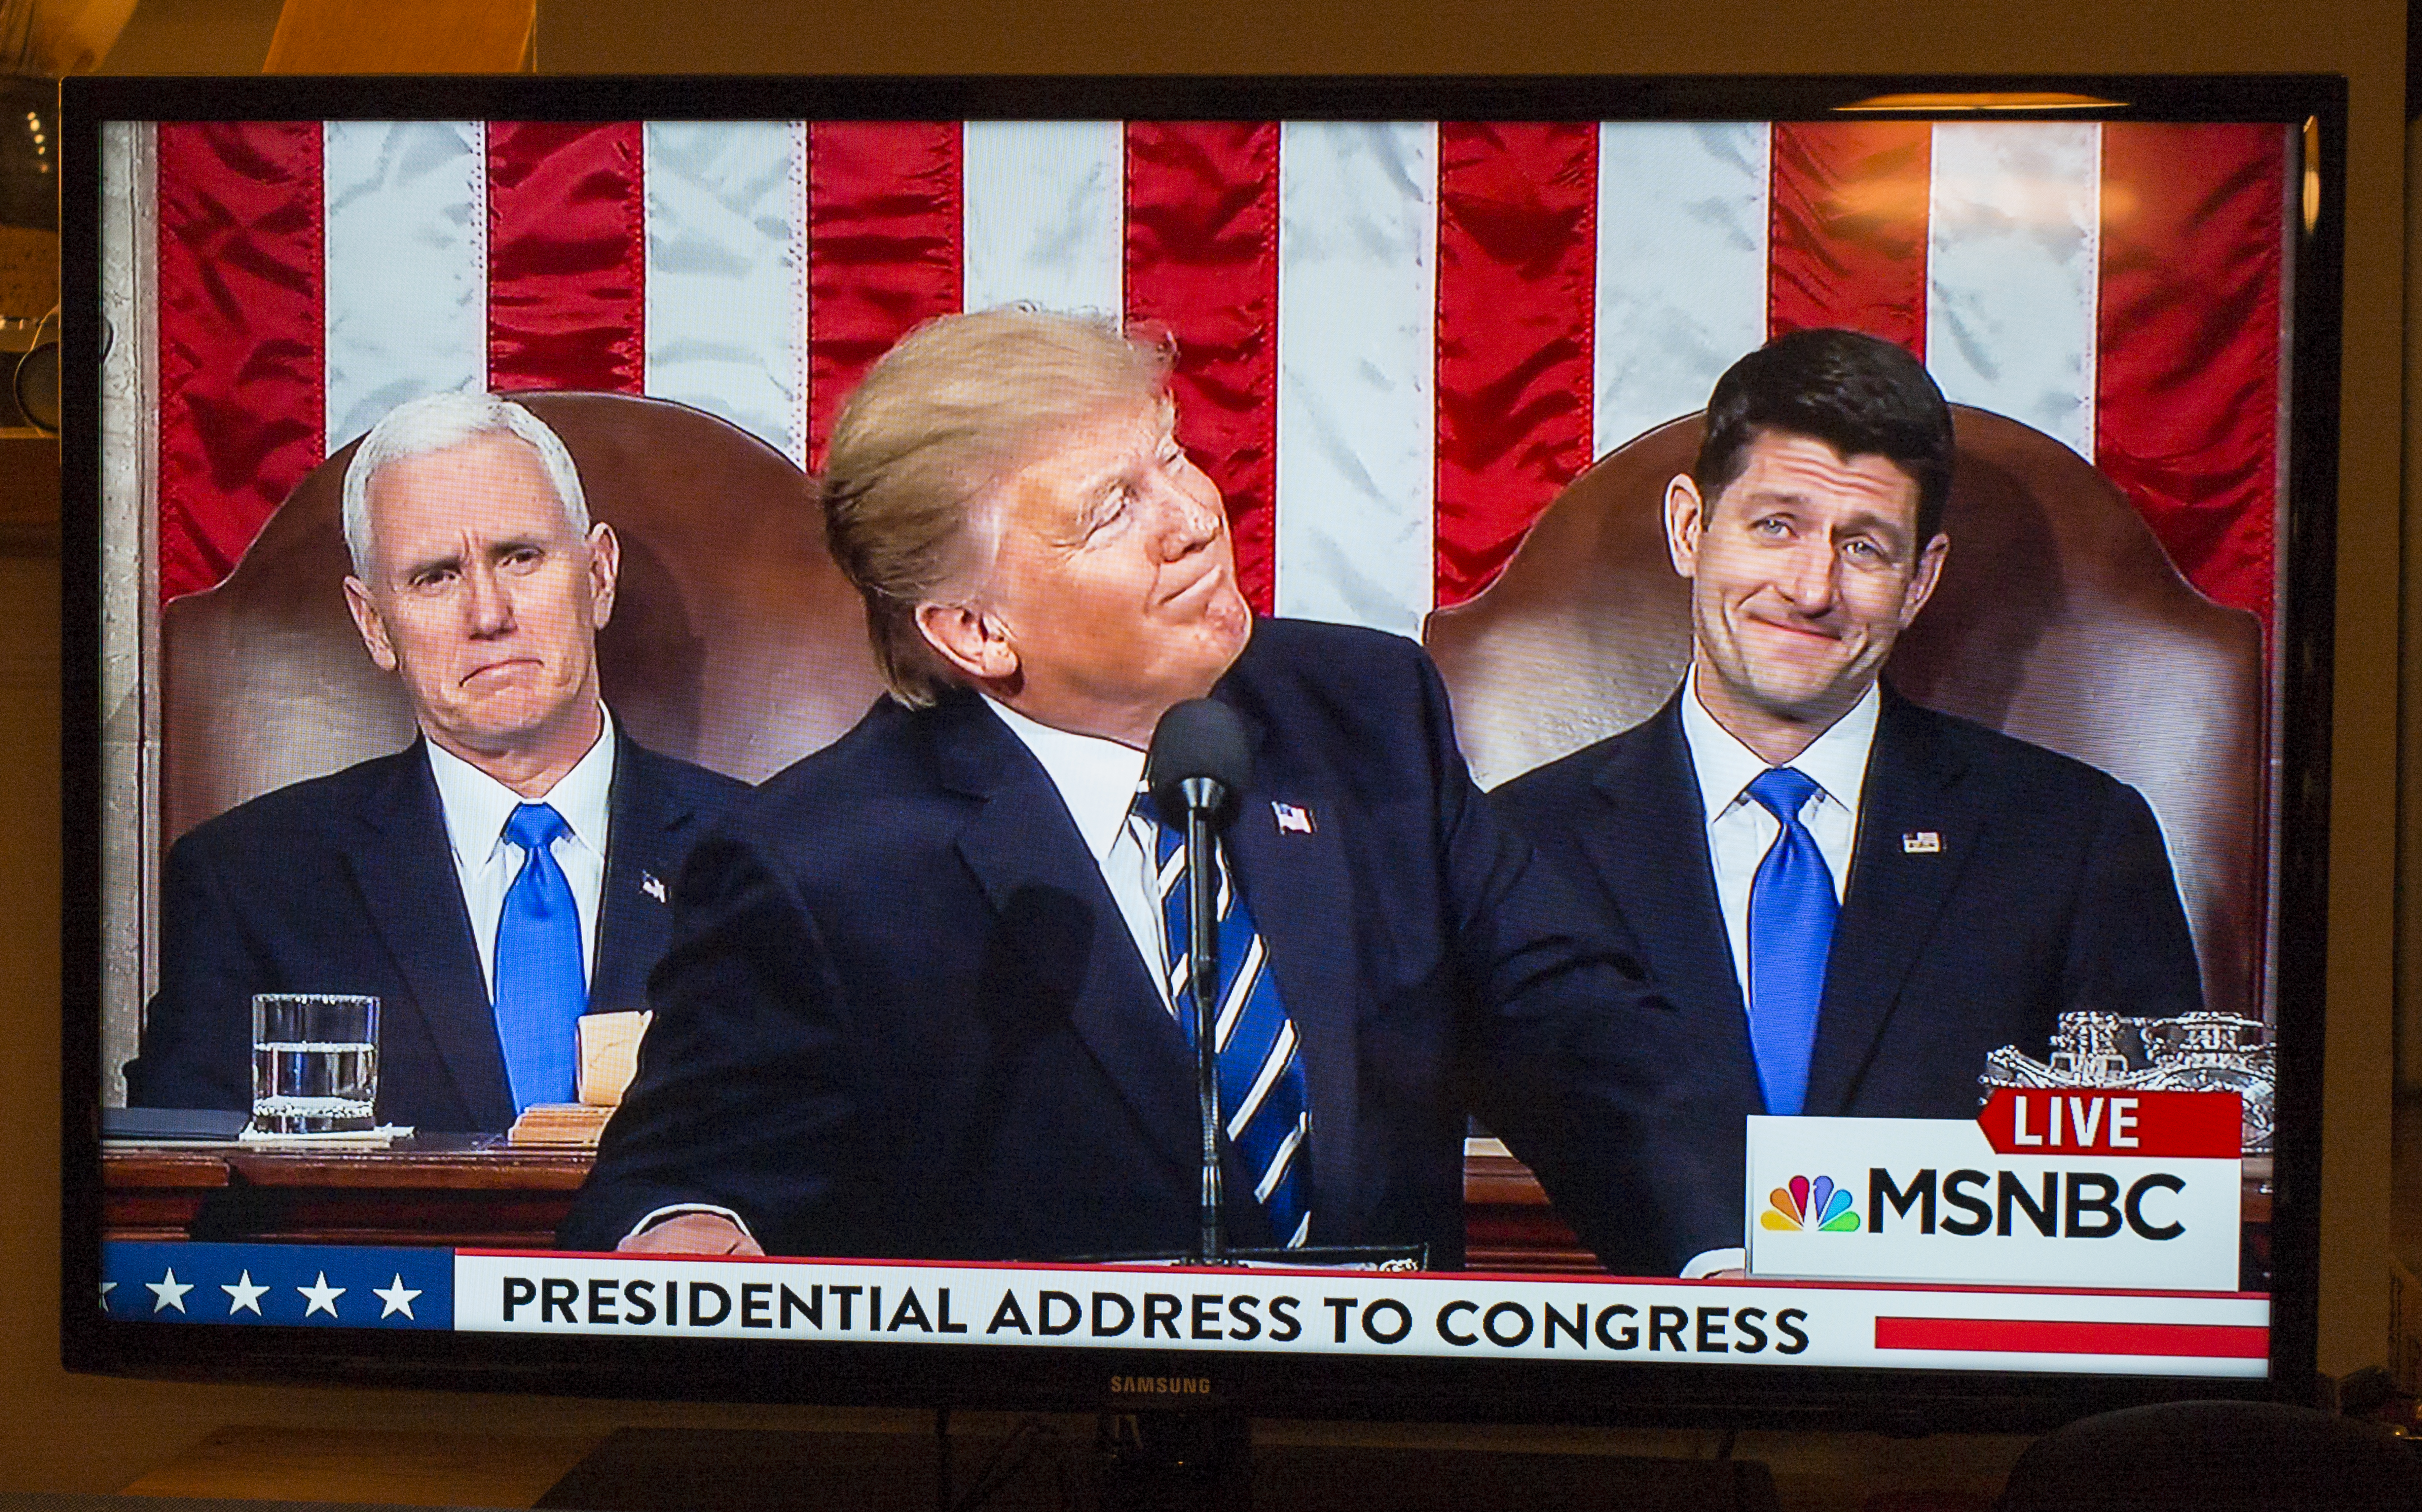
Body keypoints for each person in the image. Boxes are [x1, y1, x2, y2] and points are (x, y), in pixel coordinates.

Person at [559, 308, 1690, 1270]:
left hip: (1370, 1448)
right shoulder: (822, 865)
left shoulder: (1366, 714)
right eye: (1114, 509)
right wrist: (688, 1223)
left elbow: (1578, 1033)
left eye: (1173, 456)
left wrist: (1724, 1251)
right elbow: (673, 1175)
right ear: (973, 629)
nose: (1196, 517)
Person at [1492, 329, 2204, 1269]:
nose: (1811, 589)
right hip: (1629, 1401)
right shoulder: (1517, 847)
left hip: (1961, 1397)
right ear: (1690, 530)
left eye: (1863, 547)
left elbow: (2159, 1204)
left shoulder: (2074, 840)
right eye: (1776, 526)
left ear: (1920, 581)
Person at [130, 393, 748, 1134]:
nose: (489, 614)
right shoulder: (251, 885)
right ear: (375, 625)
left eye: (520, 557)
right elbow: (180, 1202)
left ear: (600, 576)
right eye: (436, 577)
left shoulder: (767, 857)